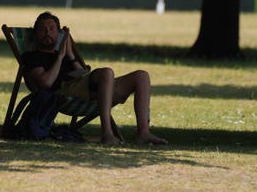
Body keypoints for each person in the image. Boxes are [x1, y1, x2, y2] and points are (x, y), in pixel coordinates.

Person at [22, 11, 167, 146]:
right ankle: (107, 134)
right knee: (107, 73)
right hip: (64, 92)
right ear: (36, 34)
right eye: (43, 29)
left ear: (58, 34)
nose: (48, 32)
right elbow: (46, 83)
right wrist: (60, 57)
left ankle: (143, 133)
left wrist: (71, 56)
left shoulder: (67, 55)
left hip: (89, 89)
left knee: (141, 76)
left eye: (52, 29)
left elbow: (82, 75)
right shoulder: (32, 56)